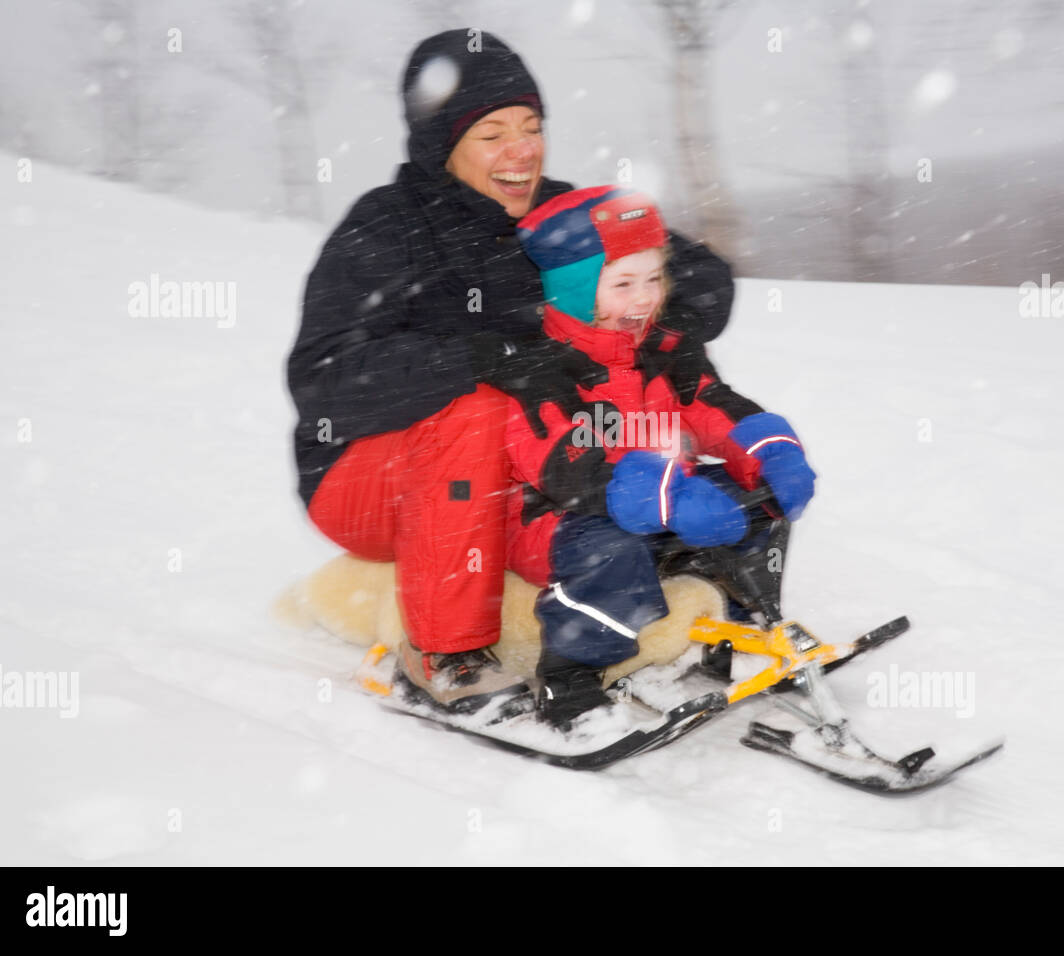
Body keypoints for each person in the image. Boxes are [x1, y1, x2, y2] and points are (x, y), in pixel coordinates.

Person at [286, 30, 735, 710]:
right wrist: (482, 357)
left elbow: (699, 277)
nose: (522, 150)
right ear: (443, 146)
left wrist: (645, 320)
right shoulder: (386, 227)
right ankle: (446, 652)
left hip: (528, 465)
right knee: (481, 405)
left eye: (531, 127)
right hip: (365, 477)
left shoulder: (569, 217)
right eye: (492, 134)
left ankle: (643, 566)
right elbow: (323, 382)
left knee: (637, 340)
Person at [504, 186, 818, 729]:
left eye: (653, 279)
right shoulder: (539, 370)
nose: (645, 297)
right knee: (611, 545)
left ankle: (738, 633)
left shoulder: (662, 347)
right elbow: (569, 467)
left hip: (668, 501)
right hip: (555, 518)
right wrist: (668, 496)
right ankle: (571, 677)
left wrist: (770, 451)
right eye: (623, 283)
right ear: (576, 291)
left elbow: (708, 406)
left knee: (758, 504)